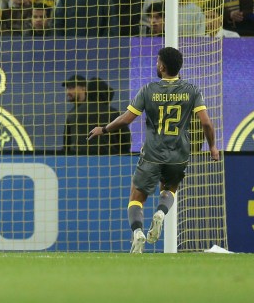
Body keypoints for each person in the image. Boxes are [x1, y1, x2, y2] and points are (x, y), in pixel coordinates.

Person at [89, 47, 220, 253]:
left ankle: (138, 233)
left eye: (157, 61)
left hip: (152, 153)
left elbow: (127, 118)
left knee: (136, 198)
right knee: (168, 190)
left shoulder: (148, 90)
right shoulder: (192, 91)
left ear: (162, 66)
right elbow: (206, 123)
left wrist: (104, 129)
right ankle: (160, 212)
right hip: (179, 154)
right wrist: (212, 146)